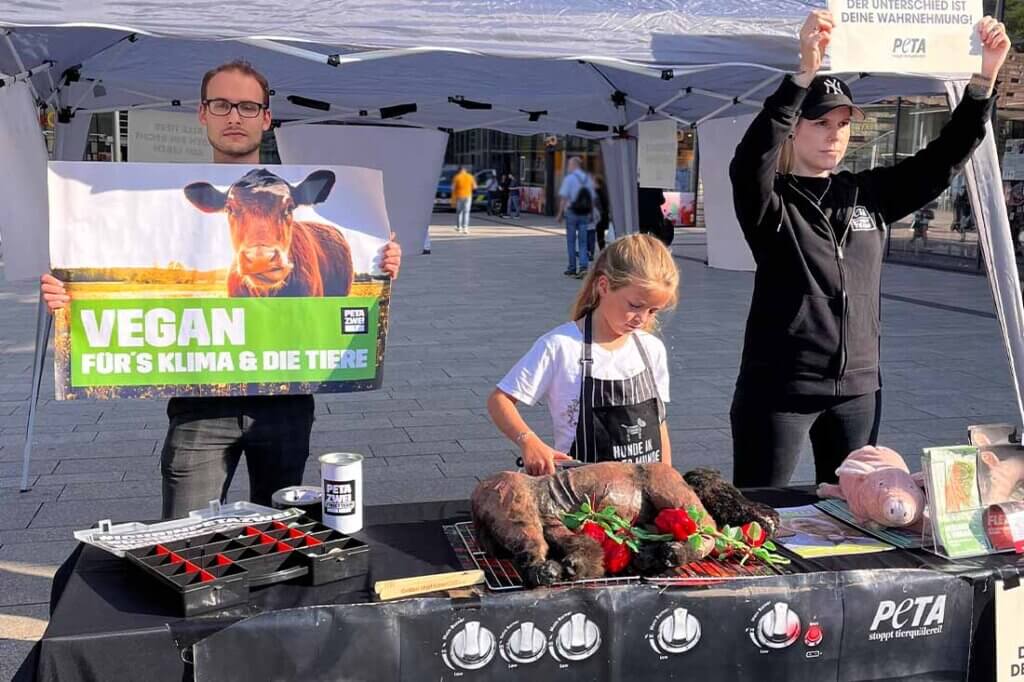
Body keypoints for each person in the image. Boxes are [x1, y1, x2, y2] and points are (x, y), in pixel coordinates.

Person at [40, 60, 403, 518]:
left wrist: (380, 265)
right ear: (203, 113)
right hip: (199, 404)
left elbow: (349, 309)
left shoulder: (324, 233)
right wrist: (69, 298)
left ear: (266, 118)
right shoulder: (163, 197)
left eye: (248, 107)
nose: (235, 116)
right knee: (187, 535)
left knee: (280, 534)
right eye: (222, 104)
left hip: (286, 401)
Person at [728, 10, 1009, 487]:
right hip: (780, 388)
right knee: (760, 510)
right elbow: (750, 159)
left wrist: (983, 80)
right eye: (820, 123)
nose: (834, 134)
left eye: (843, 124)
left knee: (854, 514)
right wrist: (802, 75)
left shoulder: (867, 193)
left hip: (857, 389)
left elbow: (942, 159)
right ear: (794, 129)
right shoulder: (770, 201)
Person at [487, 234, 677, 475]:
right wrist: (529, 440)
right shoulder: (561, 347)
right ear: (604, 286)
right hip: (583, 498)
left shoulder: (651, 349)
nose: (642, 319)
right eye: (635, 306)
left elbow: (659, 422)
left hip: (643, 493)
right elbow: (498, 400)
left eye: (653, 310)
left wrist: (668, 478)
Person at [556, 157, 596, 278]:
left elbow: (564, 198)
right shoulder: (588, 179)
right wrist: (591, 213)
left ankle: (572, 267)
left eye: (569, 165)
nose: (568, 167)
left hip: (572, 213)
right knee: (583, 242)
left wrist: (559, 213)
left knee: (571, 241)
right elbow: (592, 198)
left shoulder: (569, 179)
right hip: (584, 213)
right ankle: (583, 267)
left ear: (574, 165)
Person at [451, 166, 476, 234]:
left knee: (459, 212)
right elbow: (474, 187)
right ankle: (465, 228)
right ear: (465, 170)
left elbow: (453, 188)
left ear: (459, 170)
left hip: (459, 196)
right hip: (468, 196)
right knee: (466, 212)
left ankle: (459, 227)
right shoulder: (470, 176)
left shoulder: (457, 177)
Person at [593, 174, 611, 251]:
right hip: (604, 216)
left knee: (599, 235)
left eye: (593, 182)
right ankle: (602, 249)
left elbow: (598, 205)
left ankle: (602, 250)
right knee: (601, 235)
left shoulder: (597, 193)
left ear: (597, 183)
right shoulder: (604, 191)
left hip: (599, 217)